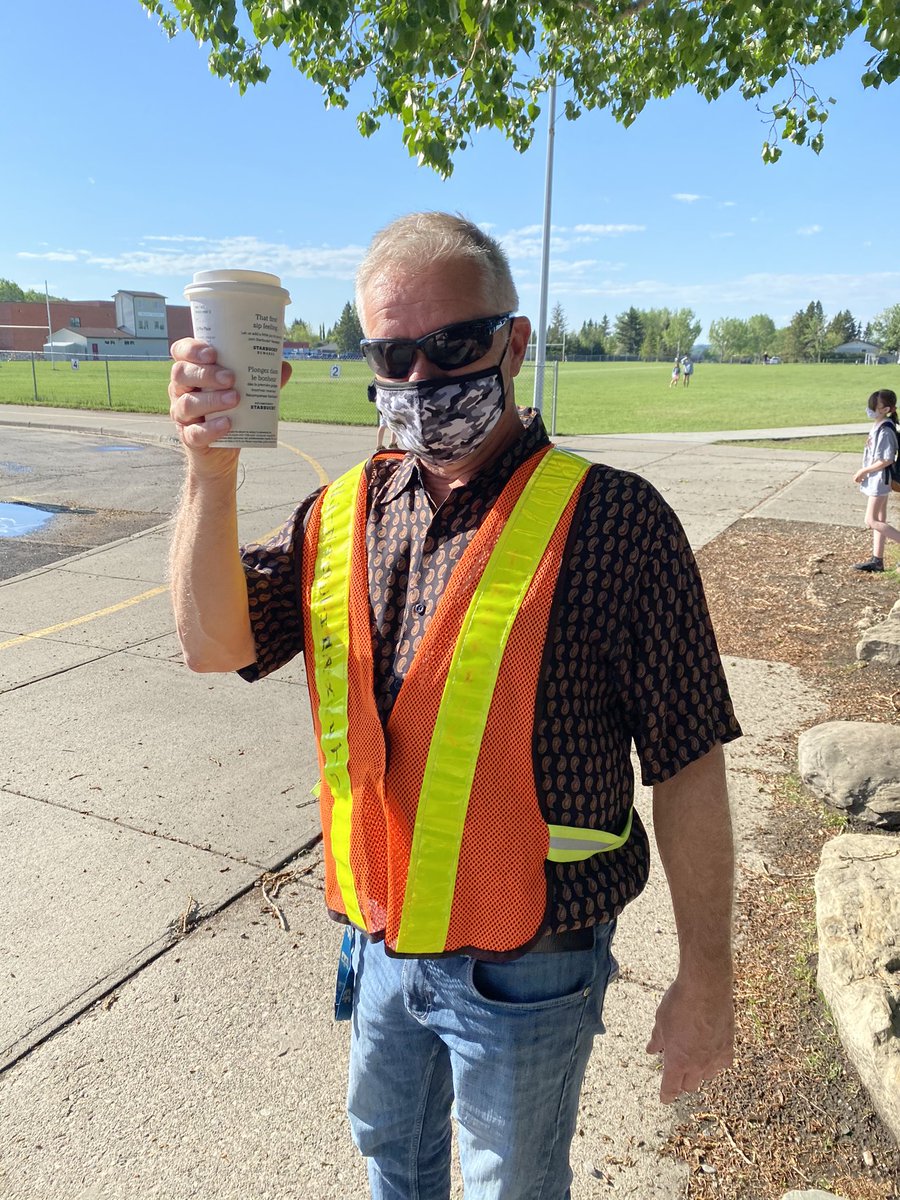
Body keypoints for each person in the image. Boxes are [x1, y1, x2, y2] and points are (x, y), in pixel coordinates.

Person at [168, 211, 741, 1200]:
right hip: (380, 947)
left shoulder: (620, 525)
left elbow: (688, 764)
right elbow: (210, 641)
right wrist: (207, 471)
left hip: (531, 972)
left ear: (515, 343)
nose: (426, 380)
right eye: (396, 354)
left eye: (456, 345)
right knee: (394, 1159)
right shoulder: (343, 515)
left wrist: (708, 983)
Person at [852, 388, 900, 573]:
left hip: (880, 479)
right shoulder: (879, 425)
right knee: (880, 518)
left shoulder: (886, 430)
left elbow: (887, 459)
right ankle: (877, 560)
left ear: (886, 409)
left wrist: (863, 471)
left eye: (875, 406)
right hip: (877, 478)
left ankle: (878, 559)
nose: (870, 409)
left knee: (871, 520)